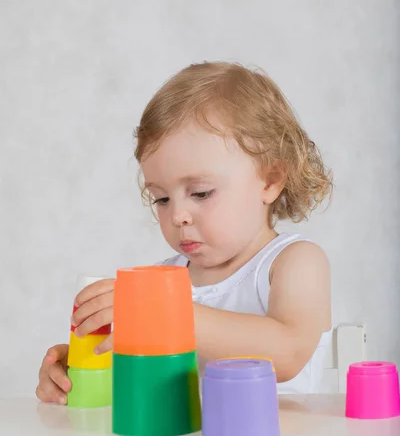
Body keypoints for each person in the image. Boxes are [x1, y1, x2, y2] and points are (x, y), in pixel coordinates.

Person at [36, 61, 333, 405]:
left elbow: (288, 352)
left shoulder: (293, 262)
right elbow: (150, 385)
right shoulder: (165, 280)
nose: (177, 215)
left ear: (270, 181)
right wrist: (86, 370)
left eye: (201, 193)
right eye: (161, 198)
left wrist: (163, 312)